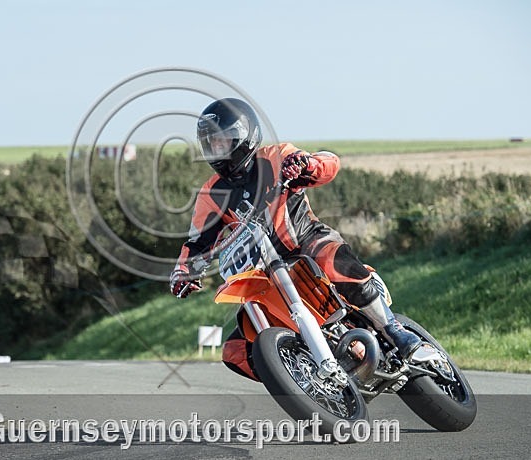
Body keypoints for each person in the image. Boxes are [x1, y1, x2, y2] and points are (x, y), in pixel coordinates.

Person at [169, 97, 437, 381]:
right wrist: (183, 270)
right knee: (234, 351)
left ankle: (395, 331)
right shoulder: (210, 194)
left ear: (244, 136)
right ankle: (303, 378)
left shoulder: (276, 156)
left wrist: (306, 165)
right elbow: (197, 242)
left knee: (332, 260)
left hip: (306, 242)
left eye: (222, 141)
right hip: (263, 273)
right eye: (210, 143)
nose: (216, 149)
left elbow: (329, 163)